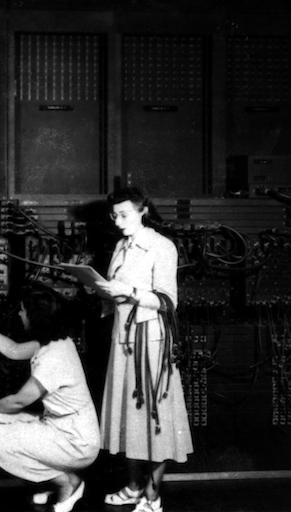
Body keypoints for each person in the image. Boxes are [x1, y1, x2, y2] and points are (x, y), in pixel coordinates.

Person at [93, 187, 194, 512]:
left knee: (156, 420)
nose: (118, 221)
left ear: (143, 211)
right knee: (129, 419)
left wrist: (129, 291)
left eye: (124, 214)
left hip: (151, 343)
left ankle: (152, 496)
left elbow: (167, 301)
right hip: (123, 341)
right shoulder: (121, 246)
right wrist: (103, 292)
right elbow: (116, 292)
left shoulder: (161, 247)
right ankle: (134, 487)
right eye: (114, 215)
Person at [0, 286, 100, 512]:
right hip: (62, 429)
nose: (20, 315)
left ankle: (67, 484)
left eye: (24, 311)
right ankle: (48, 481)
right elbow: (14, 350)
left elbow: (18, 401)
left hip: (76, 442)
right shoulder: (56, 341)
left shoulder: (53, 357)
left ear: (36, 317)